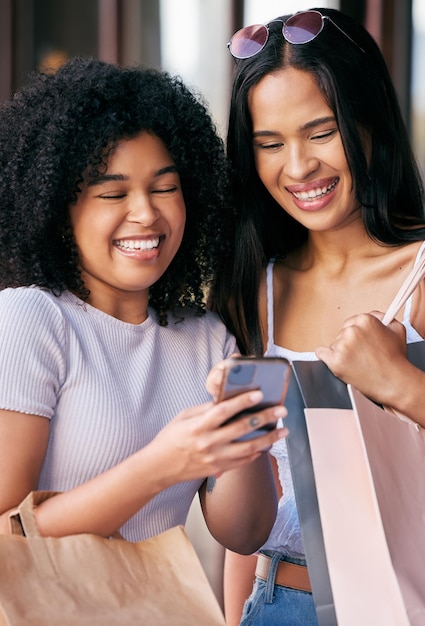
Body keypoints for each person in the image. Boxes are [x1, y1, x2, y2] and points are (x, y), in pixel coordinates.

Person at [209, 7, 425, 625]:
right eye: (269, 143)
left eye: (320, 131)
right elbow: (250, 524)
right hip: (279, 603)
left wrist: (401, 384)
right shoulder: (254, 293)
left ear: (368, 123)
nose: (298, 166)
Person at [0, 56, 290, 564]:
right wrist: (162, 465)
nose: (146, 213)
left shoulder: (208, 339)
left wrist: (248, 423)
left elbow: (244, 535)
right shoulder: (32, 319)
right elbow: (6, 533)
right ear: (55, 209)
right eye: (113, 192)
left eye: (165, 188)